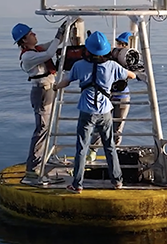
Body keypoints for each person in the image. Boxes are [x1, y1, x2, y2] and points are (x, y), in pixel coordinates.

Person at [54, 31, 136, 193]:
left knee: (82, 148)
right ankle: (117, 181)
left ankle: (77, 184)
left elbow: (66, 81)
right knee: (110, 147)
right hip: (105, 111)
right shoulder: (112, 66)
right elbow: (132, 76)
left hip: (86, 112)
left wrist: (55, 87)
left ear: (88, 50)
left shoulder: (79, 65)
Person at [12, 21, 68, 178]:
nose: (34, 35)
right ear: (23, 40)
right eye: (31, 34)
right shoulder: (29, 56)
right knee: (42, 129)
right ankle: (34, 166)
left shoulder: (36, 50)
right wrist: (58, 34)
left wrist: (63, 32)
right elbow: (49, 54)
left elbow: (52, 45)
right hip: (42, 92)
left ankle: (41, 158)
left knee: (46, 128)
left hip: (48, 89)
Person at [87, 31, 133, 162]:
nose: (120, 46)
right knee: (100, 125)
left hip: (122, 96)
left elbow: (133, 74)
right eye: (119, 44)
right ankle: (93, 150)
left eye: (123, 44)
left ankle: (114, 153)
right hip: (109, 97)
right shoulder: (110, 60)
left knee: (117, 127)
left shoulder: (125, 60)